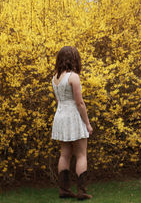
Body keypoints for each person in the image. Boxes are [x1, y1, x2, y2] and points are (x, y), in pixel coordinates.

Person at [51, 46, 93, 200]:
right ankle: (82, 191)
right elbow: (79, 103)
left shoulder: (55, 77)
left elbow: (58, 101)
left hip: (60, 116)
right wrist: (87, 124)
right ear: (74, 59)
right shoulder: (73, 77)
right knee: (81, 154)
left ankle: (64, 190)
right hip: (73, 116)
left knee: (65, 154)